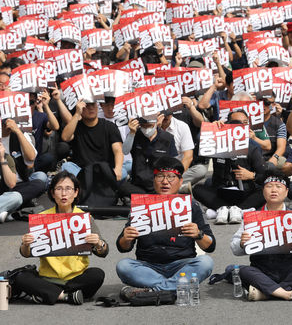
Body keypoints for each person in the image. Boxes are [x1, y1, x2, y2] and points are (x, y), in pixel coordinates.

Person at [115, 157, 215, 297]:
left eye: (171, 177)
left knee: (205, 262)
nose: (165, 181)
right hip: (148, 266)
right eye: (160, 176)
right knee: (123, 266)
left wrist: (198, 234)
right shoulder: (142, 205)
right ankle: (176, 288)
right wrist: (126, 238)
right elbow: (123, 247)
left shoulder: (191, 205)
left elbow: (210, 246)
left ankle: (155, 291)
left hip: (182, 265)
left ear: (180, 181)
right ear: (154, 180)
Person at [14, 171, 108, 304]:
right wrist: (25, 244)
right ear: (52, 193)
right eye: (59, 189)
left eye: (68, 189)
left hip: (76, 278)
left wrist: (98, 243)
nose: (64, 194)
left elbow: (104, 252)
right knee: (22, 277)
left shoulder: (84, 218)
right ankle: (67, 296)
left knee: (97, 274)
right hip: (47, 278)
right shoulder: (42, 218)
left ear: (75, 192)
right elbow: (26, 254)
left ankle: (48, 294)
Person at [230, 175, 292, 301]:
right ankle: (288, 293)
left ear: (286, 191)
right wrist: (241, 243)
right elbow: (234, 249)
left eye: (278, 186)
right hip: (262, 271)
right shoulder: (252, 217)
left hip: (291, 270)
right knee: (243, 271)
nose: (274, 190)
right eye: (269, 186)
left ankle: (265, 293)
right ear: (263, 191)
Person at [117, 114, 178, 198]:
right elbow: (125, 151)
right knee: (122, 188)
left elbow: (173, 163)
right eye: (143, 126)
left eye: (149, 126)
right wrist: (131, 133)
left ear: (155, 123)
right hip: (138, 185)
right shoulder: (135, 135)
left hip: (158, 185)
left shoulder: (167, 138)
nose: (146, 129)